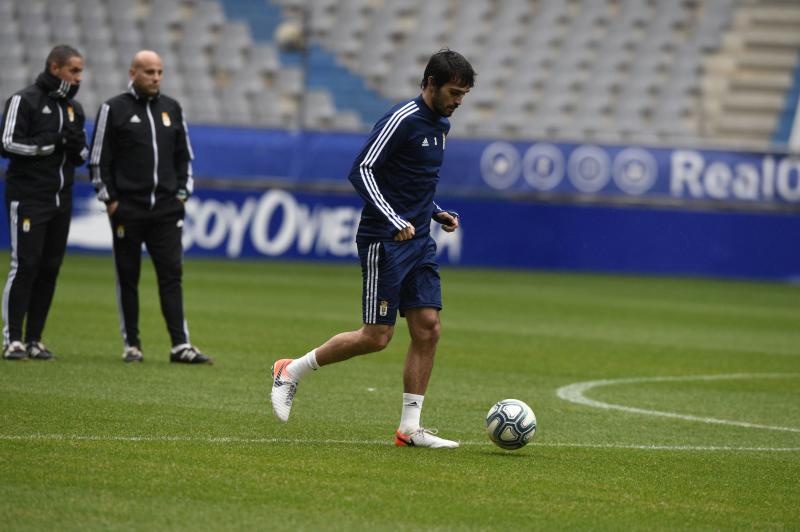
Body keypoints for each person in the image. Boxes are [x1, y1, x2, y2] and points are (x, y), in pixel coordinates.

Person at [270, 49, 475, 448]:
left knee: (428, 328)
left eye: (464, 95)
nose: (458, 101)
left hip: (418, 242)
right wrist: (395, 219)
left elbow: (412, 182)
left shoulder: (441, 126)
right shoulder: (401, 119)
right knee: (377, 336)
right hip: (385, 241)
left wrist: (435, 212)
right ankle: (291, 370)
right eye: (454, 92)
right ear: (430, 83)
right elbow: (361, 168)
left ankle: (410, 429)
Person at [89, 50, 211, 364]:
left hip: (167, 210)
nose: (155, 77)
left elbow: (184, 156)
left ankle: (179, 345)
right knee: (127, 276)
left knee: (171, 275)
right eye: (149, 72)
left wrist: (183, 194)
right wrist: (111, 200)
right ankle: (132, 344)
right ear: (133, 73)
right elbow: (98, 160)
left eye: (159, 72)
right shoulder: (113, 109)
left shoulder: (172, 108)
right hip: (128, 209)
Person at [1, 45, 88, 361]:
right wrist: (51, 145)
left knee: (50, 268)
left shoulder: (74, 109)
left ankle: (35, 339)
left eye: (81, 72)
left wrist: (78, 149)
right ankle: (13, 339)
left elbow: (81, 157)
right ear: (55, 68)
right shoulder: (24, 100)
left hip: (61, 201)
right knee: (25, 265)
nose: (79, 78)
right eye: (74, 71)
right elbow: (7, 144)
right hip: (28, 198)